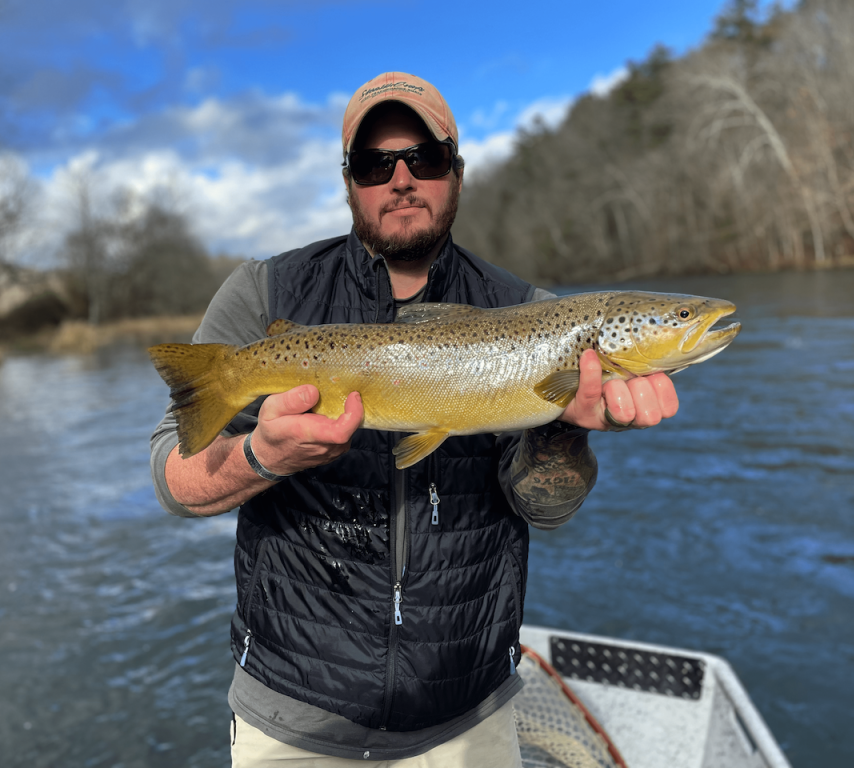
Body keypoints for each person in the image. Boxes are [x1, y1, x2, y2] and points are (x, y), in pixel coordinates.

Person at [150, 72, 679, 767]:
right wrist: (263, 457)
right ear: (348, 181)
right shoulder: (263, 292)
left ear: (456, 172)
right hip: (292, 721)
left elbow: (543, 508)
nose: (401, 179)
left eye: (424, 159)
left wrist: (564, 425)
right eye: (375, 165)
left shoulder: (530, 312)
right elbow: (173, 479)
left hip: (469, 716)